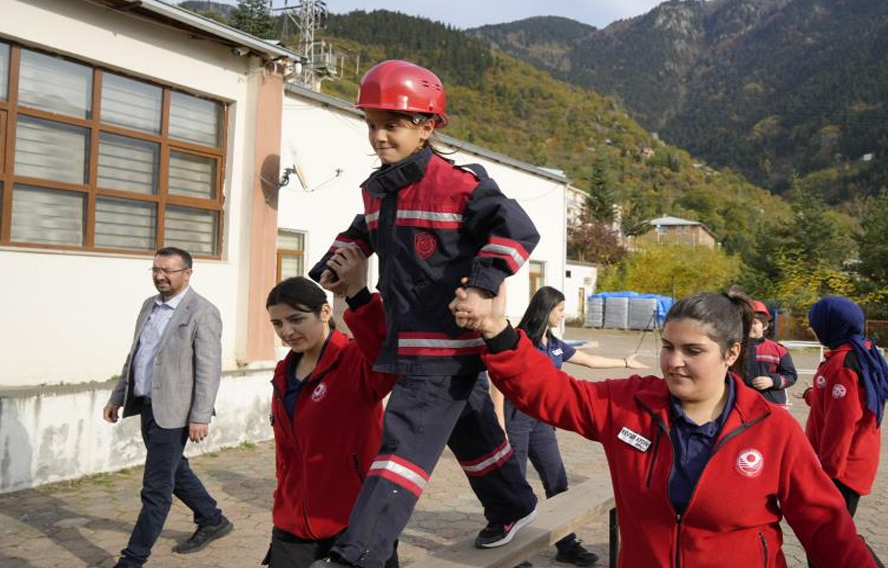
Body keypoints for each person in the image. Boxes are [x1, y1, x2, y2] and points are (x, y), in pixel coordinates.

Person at [451, 287, 881, 568]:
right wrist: (497, 330)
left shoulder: (772, 430)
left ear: (732, 354)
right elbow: (553, 393)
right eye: (668, 347)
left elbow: (828, 529)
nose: (674, 361)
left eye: (693, 350)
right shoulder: (629, 405)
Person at [307, 60, 539, 568]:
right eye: (371, 124)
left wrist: (482, 286)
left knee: (401, 448)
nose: (379, 136)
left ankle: (357, 554)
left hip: (443, 343)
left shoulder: (461, 185)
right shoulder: (378, 189)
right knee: (474, 433)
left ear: (427, 126)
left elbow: (517, 231)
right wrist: (331, 264)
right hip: (408, 339)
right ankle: (514, 505)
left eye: (392, 124)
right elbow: (361, 231)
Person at [264, 246, 400, 568]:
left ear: (325, 313)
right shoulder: (283, 372)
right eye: (277, 323)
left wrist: (358, 295)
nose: (287, 332)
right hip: (291, 523)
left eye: (296, 319)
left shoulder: (355, 360)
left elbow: (386, 360)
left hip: (355, 523)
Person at [493, 286, 648, 568]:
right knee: (513, 487)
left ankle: (566, 545)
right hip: (515, 421)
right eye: (560, 309)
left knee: (558, 481)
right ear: (546, 309)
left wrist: (625, 362)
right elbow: (500, 383)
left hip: (543, 423)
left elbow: (588, 361)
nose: (563, 315)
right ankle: (511, 554)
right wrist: (500, 423)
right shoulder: (521, 340)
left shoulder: (553, 343)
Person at [104, 247, 231, 568]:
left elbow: (208, 369)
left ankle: (132, 559)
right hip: (147, 406)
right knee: (174, 468)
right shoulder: (149, 306)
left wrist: (200, 416)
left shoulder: (202, 311)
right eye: (155, 270)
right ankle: (211, 518)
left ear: (187, 273)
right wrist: (118, 395)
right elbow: (135, 356)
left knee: (156, 488)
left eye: (168, 271)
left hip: (176, 414)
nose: (160, 276)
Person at [803, 295, 888, 568]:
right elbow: (846, 400)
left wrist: (825, 473)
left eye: (815, 325)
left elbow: (842, 425)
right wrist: (813, 395)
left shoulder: (843, 364)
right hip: (849, 463)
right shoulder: (858, 351)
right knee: (831, 535)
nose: (814, 330)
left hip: (841, 469)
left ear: (831, 325)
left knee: (825, 538)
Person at [745, 300, 798, 406]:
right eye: (747, 323)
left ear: (765, 326)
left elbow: (791, 376)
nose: (750, 326)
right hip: (744, 405)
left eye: (755, 323)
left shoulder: (778, 350)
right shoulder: (736, 349)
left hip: (773, 406)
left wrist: (772, 381)